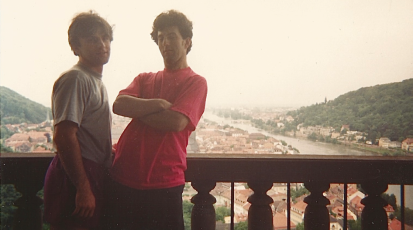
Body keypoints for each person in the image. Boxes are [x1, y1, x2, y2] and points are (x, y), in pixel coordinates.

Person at [106, 9, 207, 230]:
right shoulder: (145, 78)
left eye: (171, 36)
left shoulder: (195, 82)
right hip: (123, 177)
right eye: (160, 38)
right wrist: (157, 104)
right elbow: (119, 105)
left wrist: (138, 109)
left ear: (186, 41)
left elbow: (176, 122)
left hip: (164, 182)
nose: (164, 43)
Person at [43, 11, 113, 230]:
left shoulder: (94, 81)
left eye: (105, 37)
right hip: (77, 176)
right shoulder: (76, 79)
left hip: (87, 173)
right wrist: (83, 188)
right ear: (75, 47)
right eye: (92, 39)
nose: (102, 44)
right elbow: (64, 135)